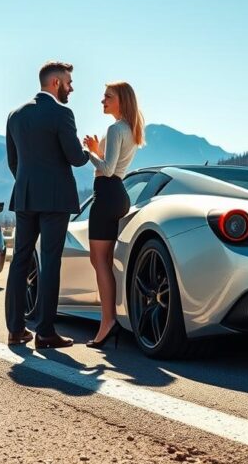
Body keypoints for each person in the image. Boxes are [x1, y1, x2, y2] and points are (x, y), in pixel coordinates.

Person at [5, 60, 91, 349]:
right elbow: (75, 158)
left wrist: (29, 183)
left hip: (25, 196)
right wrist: (90, 151)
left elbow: (13, 162)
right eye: (69, 82)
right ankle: (45, 333)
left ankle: (16, 330)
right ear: (55, 83)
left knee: (20, 260)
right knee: (51, 262)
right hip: (55, 199)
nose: (72, 88)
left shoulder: (15, 115)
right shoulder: (61, 113)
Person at [81, 81, 145, 349]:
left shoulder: (114, 128)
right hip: (117, 194)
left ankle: (108, 322)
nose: (102, 100)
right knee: (105, 262)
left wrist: (88, 154)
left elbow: (107, 170)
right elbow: (114, 165)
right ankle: (109, 321)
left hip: (107, 195)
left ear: (122, 100)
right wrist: (98, 151)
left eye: (108, 96)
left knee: (99, 261)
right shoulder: (128, 129)